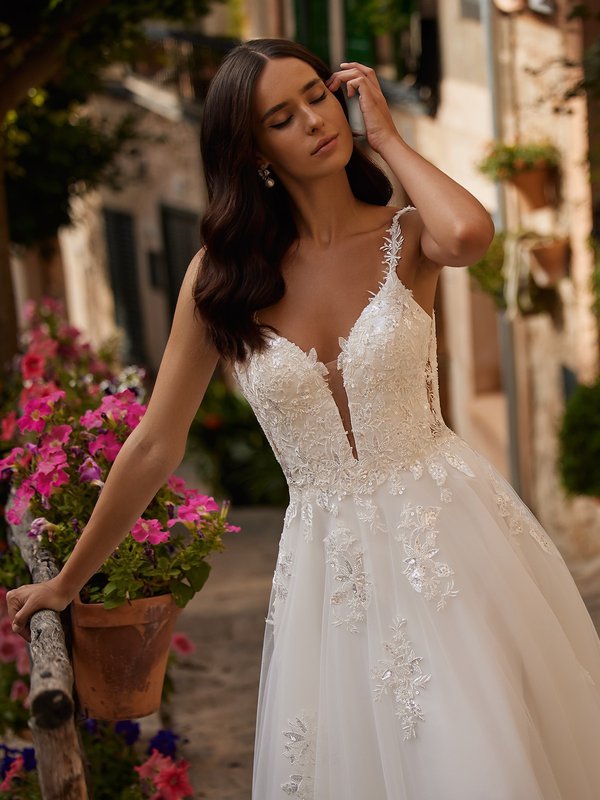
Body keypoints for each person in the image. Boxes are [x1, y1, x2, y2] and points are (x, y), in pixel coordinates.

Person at [7, 38, 600, 799]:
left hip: (451, 542)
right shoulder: (219, 280)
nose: (316, 120)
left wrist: (386, 136)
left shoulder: (406, 234)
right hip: (331, 571)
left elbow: (470, 235)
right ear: (254, 149)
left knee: (479, 760)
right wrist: (68, 582)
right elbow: (156, 442)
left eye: (319, 94)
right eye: (282, 117)